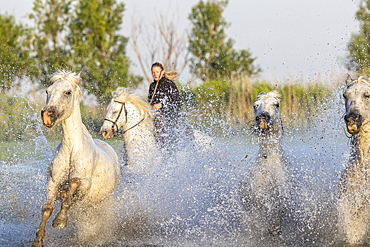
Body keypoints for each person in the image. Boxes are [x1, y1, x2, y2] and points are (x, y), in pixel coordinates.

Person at [148, 62, 182, 147]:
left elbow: (178, 103)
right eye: (153, 72)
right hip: (155, 116)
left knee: (159, 119)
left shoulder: (170, 84)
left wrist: (162, 105)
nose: (155, 74)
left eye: (157, 72)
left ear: (162, 72)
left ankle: (163, 147)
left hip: (170, 116)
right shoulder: (152, 86)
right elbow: (150, 102)